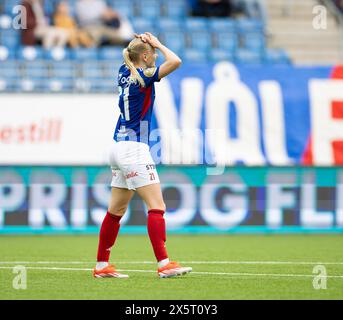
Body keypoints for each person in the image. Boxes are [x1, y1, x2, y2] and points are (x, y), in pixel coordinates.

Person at [93, 32, 192, 279]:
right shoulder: (144, 76)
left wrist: (141, 43)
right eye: (153, 54)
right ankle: (164, 264)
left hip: (117, 147)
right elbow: (176, 61)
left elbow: (132, 53)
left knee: (116, 211)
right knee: (157, 206)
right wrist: (157, 42)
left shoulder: (123, 71)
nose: (156, 57)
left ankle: (102, 266)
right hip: (134, 148)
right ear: (145, 56)